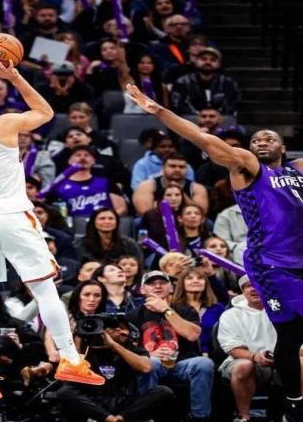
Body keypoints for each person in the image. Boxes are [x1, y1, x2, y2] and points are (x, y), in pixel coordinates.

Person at [126, 82, 303, 422]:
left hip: (299, 259)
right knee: (291, 334)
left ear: (284, 146)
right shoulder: (248, 166)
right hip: (272, 262)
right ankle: (295, 403)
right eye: (256, 139)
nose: (261, 141)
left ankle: (291, 402)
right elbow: (205, 140)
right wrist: (159, 111)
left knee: (295, 335)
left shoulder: (296, 170)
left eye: (269, 138)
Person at [0, 61, 104, 402]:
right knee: (44, 288)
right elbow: (45, 112)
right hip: (11, 216)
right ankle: (71, 359)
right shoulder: (3, 125)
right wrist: (13, 76)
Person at [56, 315, 176, 422]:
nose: (118, 331)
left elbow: (146, 367)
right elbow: (69, 375)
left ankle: (120, 418)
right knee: (65, 392)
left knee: (163, 392)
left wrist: (114, 345)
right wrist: (78, 337)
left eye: (120, 328)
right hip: (95, 403)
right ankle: (109, 419)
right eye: (107, 328)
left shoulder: (131, 349)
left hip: (125, 401)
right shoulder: (86, 348)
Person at [131, 270, 215, 422]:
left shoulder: (185, 310)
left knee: (204, 363)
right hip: (153, 362)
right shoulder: (133, 315)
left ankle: (200, 417)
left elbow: (192, 335)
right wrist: (149, 354)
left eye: (162, 283)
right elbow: (129, 348)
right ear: (142, 289)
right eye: (151, 283)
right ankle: (146, 417)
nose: (158, 286)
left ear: (171, 288)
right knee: (151, 363)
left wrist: (166, 310)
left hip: (182, 363)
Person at [218, 275, 280, 422]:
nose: (253, 288)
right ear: (242, 291)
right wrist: (255, 357)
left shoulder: (284, 310)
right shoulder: (230, 315)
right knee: (244, 366)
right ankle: (243, 416)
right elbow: (233, 348)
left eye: (258, 284)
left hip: (282, 358)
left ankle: (294, 413)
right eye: (248, 286)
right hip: (244, 359)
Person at [48, 145, 128, 217]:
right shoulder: (58, 185)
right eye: (78, 155)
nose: (82, 158)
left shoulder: (107, 182)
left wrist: (106, 221)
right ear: (69, 161)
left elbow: (121, 209)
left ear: (94, 161)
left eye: (87, 155)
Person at [171, 47, 241, 115]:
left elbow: (233, 103)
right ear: (196, 62)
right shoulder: (183, 81)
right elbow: (178, 104)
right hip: (190, 118)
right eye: (203, 59)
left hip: (221, 118)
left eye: (213, 60)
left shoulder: (228, 83)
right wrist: (199, 115)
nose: (208, 62)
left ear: (219, 64)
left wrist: (216, 115)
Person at [133, 153, 209, 216]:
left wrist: (180, 192)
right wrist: (168, 219)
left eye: (182, 167)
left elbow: (201, 213)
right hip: (156, 221)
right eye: (172, 166)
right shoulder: (147, 185)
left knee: (208, 223)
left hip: (186, 222)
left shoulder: (197, 188)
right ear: (163, 168)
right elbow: (144, 212)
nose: (177, 169)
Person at [173, 267, 225, 356]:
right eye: (190, 278)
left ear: (206, 284)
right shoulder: (173, 308)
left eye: (200, 278)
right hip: (182, 356)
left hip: (213, 356)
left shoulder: (218, 308)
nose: (195, 281)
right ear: (182, 284)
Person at [74, 207, 143, 263]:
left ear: (117, 222)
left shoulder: (129, 244)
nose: (107, 222)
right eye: (102, 219)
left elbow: (137, 265)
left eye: (111, 218)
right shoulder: (80, 245)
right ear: (93, 222)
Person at [131, 132, 195, 191]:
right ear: (154, 149)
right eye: (162, 146)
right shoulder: (142, 164)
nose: (167, 149)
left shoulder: (185, 166)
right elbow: (136, 187)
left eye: (170, 146)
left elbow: (190, 187)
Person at [139, 182, 187, 250]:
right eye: (168, 195)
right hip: (156, 252)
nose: (173, 198)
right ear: (162, 198)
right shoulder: (150, 215)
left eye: (177, 195)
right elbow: (142, 240)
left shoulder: (188, 214)